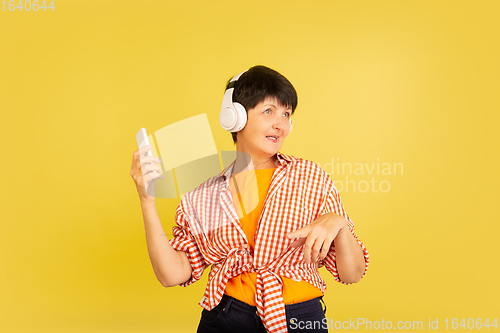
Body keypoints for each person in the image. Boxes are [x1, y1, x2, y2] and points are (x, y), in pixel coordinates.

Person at [130, 65, 369, 333]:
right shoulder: (205, 192)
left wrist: (338, 222)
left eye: (286, 114)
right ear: (235, 117)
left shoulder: (311, 177)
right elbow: (172, 275)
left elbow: (353, 273)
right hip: (227, 316)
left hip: (300, 318)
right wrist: (147, 200)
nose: (280, 124)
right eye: (268, 111)